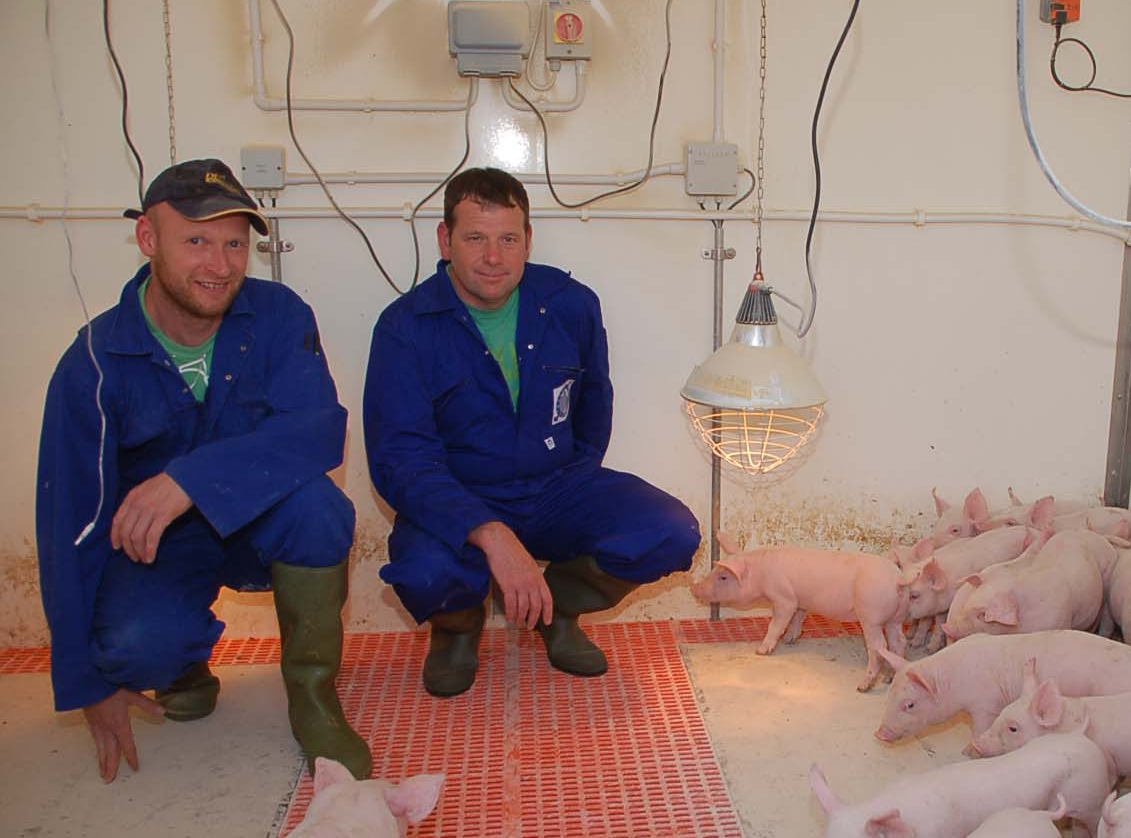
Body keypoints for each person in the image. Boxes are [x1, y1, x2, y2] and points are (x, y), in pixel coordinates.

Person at [36, 158, 371, 782]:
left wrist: (190, 479)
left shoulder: (279, 314)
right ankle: (181, 664)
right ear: (147, 239)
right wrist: (85, 682)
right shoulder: (92, 361)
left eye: (234, 244)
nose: (219, 266)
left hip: (259, 522)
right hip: (159, 550)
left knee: (322, 510)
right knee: (133, 648)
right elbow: (68, 528)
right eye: (195, 241)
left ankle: (314, 698)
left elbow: (317, 429)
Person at [364, 167, 700, 695]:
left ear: (528, 241)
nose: (493, 257)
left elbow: (595, 401)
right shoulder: (404, 326)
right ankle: (457, 629)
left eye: (508, 239)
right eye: (475, 238)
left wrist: (574, 476)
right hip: (457, 494)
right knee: (424, 572)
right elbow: (399, 460)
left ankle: (555, 610)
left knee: (669, 531)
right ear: (445, 240)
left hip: (553, 485)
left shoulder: (571, 303)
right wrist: (489, 532)